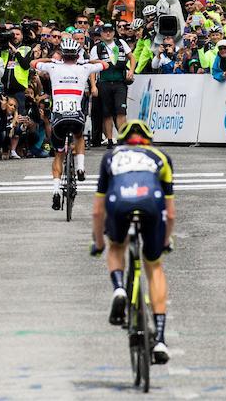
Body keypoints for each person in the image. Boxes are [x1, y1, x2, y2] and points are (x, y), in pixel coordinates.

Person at [90, 120, 175, 365]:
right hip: (151, 203)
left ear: (123, 140)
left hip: (119, 202)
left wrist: (98, 243)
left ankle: (118, 288)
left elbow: (97, 211)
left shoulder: (111, 157)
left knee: (117, 246)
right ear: (148, 139)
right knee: (154, 265)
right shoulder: (161, 156)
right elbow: (170, 213)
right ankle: (159, 338)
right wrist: (165, 241)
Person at [32, 37, 107, 210]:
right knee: (79, 136)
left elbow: (33, 62)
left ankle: (56, 191)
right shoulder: (84, 67)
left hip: (58, 118)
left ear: (63, 55)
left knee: (59, 154)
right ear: (76, 54)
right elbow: (105, 64)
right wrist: (86, 60)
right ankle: (80, 168)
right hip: (75, 116)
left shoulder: (53, 66)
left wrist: (51, 59)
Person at [90, 23, 134, 147]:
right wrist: (93, 86)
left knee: (121, 111)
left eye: (110, 31)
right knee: (107, 113)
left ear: (113, 33)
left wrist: (131, 71)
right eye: (105, 31)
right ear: (102, 33)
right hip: (104, 83)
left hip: (120, 83)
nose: (108, 33)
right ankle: (109, 139)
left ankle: (122, 138)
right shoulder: (97, 48)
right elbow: (93, 69)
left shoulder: (121, 43)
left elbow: (132, 57)